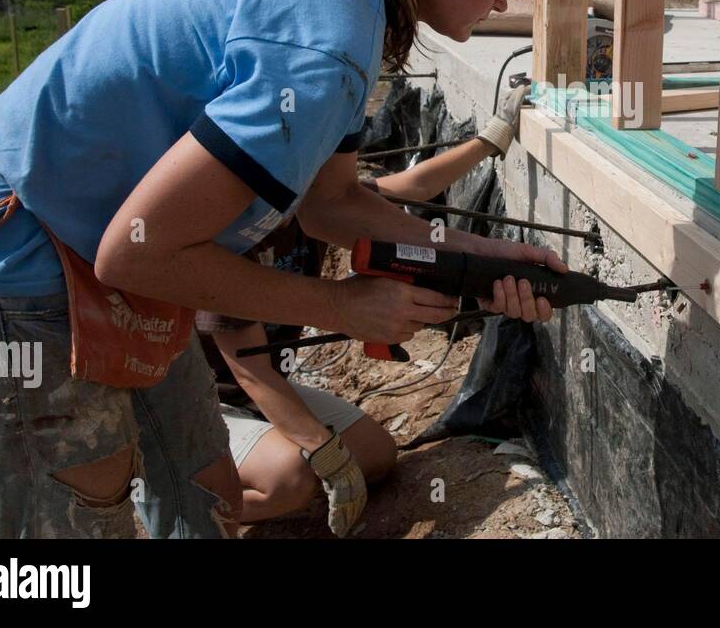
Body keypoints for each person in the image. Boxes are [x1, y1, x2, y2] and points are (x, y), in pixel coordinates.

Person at [0, 0, 565, 539]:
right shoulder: (323, 42)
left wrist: (486, 255)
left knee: (200, 486)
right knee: (67, 538)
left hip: (108, 253)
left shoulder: (348, 3)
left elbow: (333, 205)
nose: (503, 0)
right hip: (23, 266)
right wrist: (344, 308)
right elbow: (136, 252)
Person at [199, 86, 529, 536]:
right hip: (209, 400)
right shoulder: (232, 234)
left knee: (375, 455)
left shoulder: (313, 207)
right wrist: (324, 454)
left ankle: (267, 456)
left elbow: (413, 186)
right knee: (290, 480)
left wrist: (490, 139)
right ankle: (185, 499)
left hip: (261, 387)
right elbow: (251, 372)